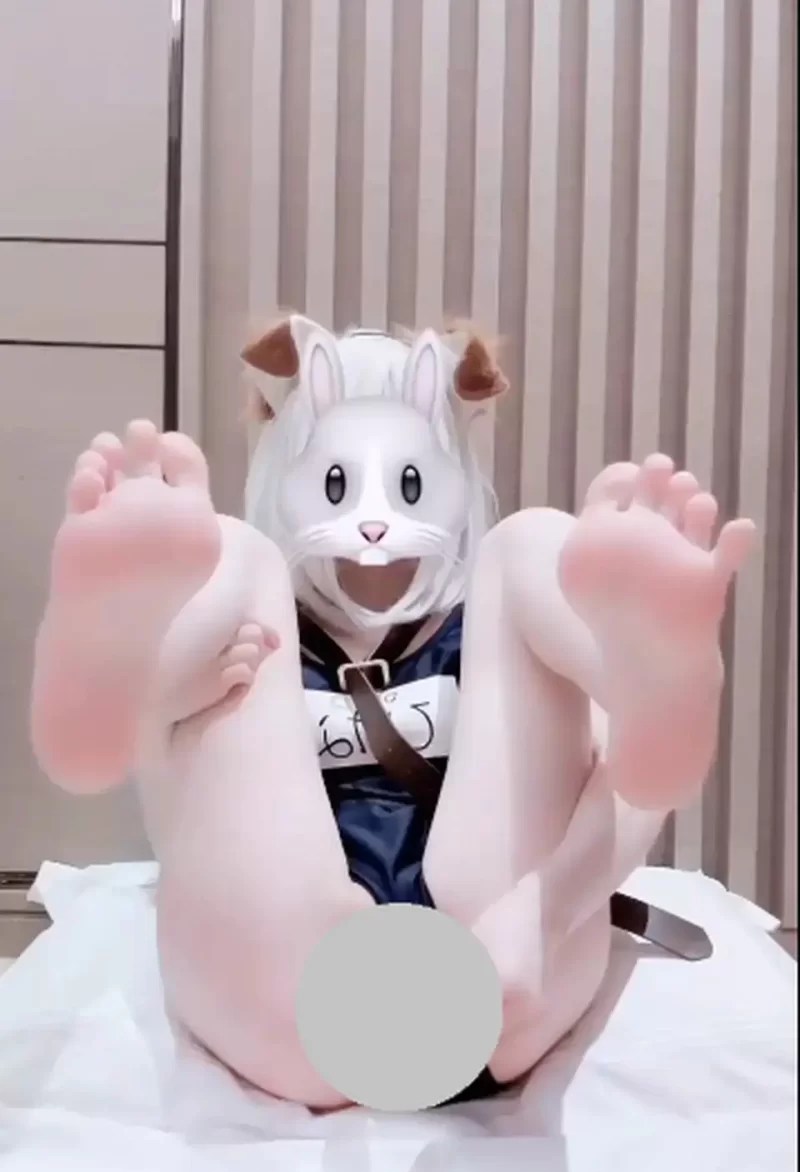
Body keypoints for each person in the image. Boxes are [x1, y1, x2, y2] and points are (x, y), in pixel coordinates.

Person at [30, 318, 755, 1108]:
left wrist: (543, 914)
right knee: (234, 554)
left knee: (525, 545)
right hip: (293, 985)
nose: (373, 521)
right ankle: (124, 666)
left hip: (496, 974)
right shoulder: (247, 632)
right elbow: (178, 814)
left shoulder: (498, 632)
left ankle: (638, 664)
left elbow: (633, 785)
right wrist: (171, 697)